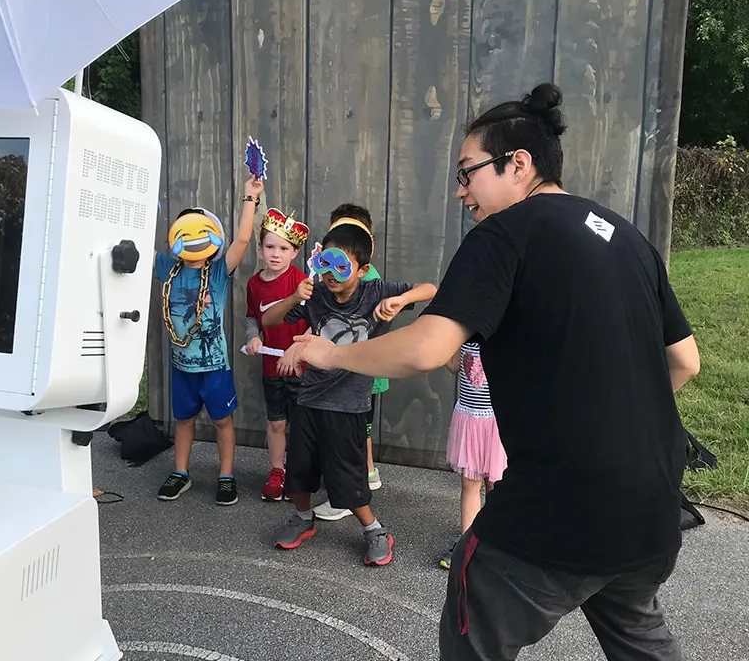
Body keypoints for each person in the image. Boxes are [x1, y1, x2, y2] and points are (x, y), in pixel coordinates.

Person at [285, 83, 701, 660]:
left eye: (467, 173)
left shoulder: (504, 234)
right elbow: (685, 361)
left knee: (474, 615)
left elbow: (425, 348)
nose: (461, 191)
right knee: (638, 634)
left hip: (561, 505)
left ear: (518, 164)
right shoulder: (629, 239)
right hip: (653, 505)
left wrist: (329, 353)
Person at [262, 218, 437, 565]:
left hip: (350, 404)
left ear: (362, 269)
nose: (330, 273)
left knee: (347, 477)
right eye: (324, 262)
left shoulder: (375, 292)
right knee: (300, 470)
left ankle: (375, 530)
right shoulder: (315, 294)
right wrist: (295, 296)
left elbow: (430, 289)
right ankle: (302, 518)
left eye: (340, 266)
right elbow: (269, 320)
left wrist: (401, 300)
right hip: (309, 398)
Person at [153, 174, 264, 506]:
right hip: (181, 365)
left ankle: (226, 475)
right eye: (185, 233)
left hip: (214, 366)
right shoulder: (166, 268)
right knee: (183, 419)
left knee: (222, 420)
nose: (193, 239)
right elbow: (139, 244)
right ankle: (181, 472)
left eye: (199, 231)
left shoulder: (217, 272)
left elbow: (243, 240)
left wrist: (250, 198)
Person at [312, 203, 387, 521]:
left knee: (350, 436)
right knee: (353, 435)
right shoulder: (329, 277)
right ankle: (365, 474)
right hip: (344, 373)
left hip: (358, 376)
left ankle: (347, 495)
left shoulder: (368, 281)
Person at [244, 208, 310, 501]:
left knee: (302, 424)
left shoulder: (302, 281)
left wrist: (299, 350)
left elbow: (317, 320)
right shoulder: (254, 284)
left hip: (300, 366)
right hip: (271, 365)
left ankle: (299, 473)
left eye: (284, 248)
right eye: (270, 246)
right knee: (276, 421)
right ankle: (277, 471)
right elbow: (252, 316)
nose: (275, 254)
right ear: (260, 248)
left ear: (294, 252)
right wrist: (253, 336)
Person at [438, 341, 506, 570]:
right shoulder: (465, 338)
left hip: (496, 421)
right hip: (469, 418)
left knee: (495, 483)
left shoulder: (504, 339)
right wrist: (445, 343)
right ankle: (467, 545)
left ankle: (496, 541)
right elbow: (453, 365)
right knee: (470, 483)